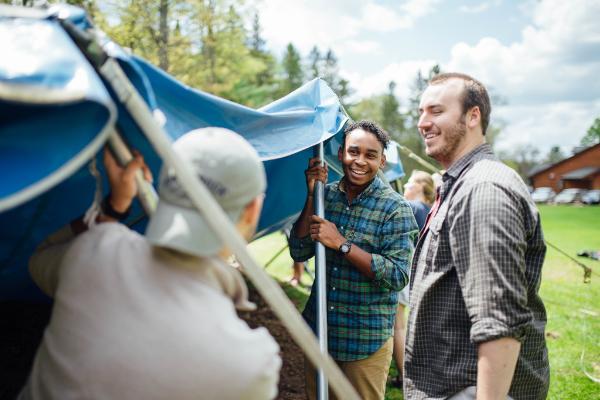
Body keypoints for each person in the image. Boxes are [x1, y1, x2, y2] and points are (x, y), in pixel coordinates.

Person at [20, 128, 281, 400]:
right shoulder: (252, 364)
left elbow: (39, 259)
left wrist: (113, 208)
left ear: (163, 183)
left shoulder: (93, 251)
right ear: (253, 209)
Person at [404, 73, 549, 400]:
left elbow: (499, 323)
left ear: (473, 116)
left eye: (436, 111)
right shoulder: (460, 183)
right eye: (420, 112)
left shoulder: (483, 189)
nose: (422, 122)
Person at [289, 120, 418, 400]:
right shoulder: (328, 197)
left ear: (382, 161)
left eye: (370, 155)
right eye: (353, 152)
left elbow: (398, 275)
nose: (359, 161)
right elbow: (299, 251)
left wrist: (343, 245)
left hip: (364, 341)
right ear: (341, 154)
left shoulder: (395, 208)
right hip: (320, 332)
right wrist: (312, 195)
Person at [390, 170, 435, 389]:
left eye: (409, 182)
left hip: (404, 271)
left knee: (397, 326)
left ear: (420, 186)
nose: (405, 186)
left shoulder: (414, 208)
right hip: (418, 275)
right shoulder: (430, 210)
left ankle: (406, 378)